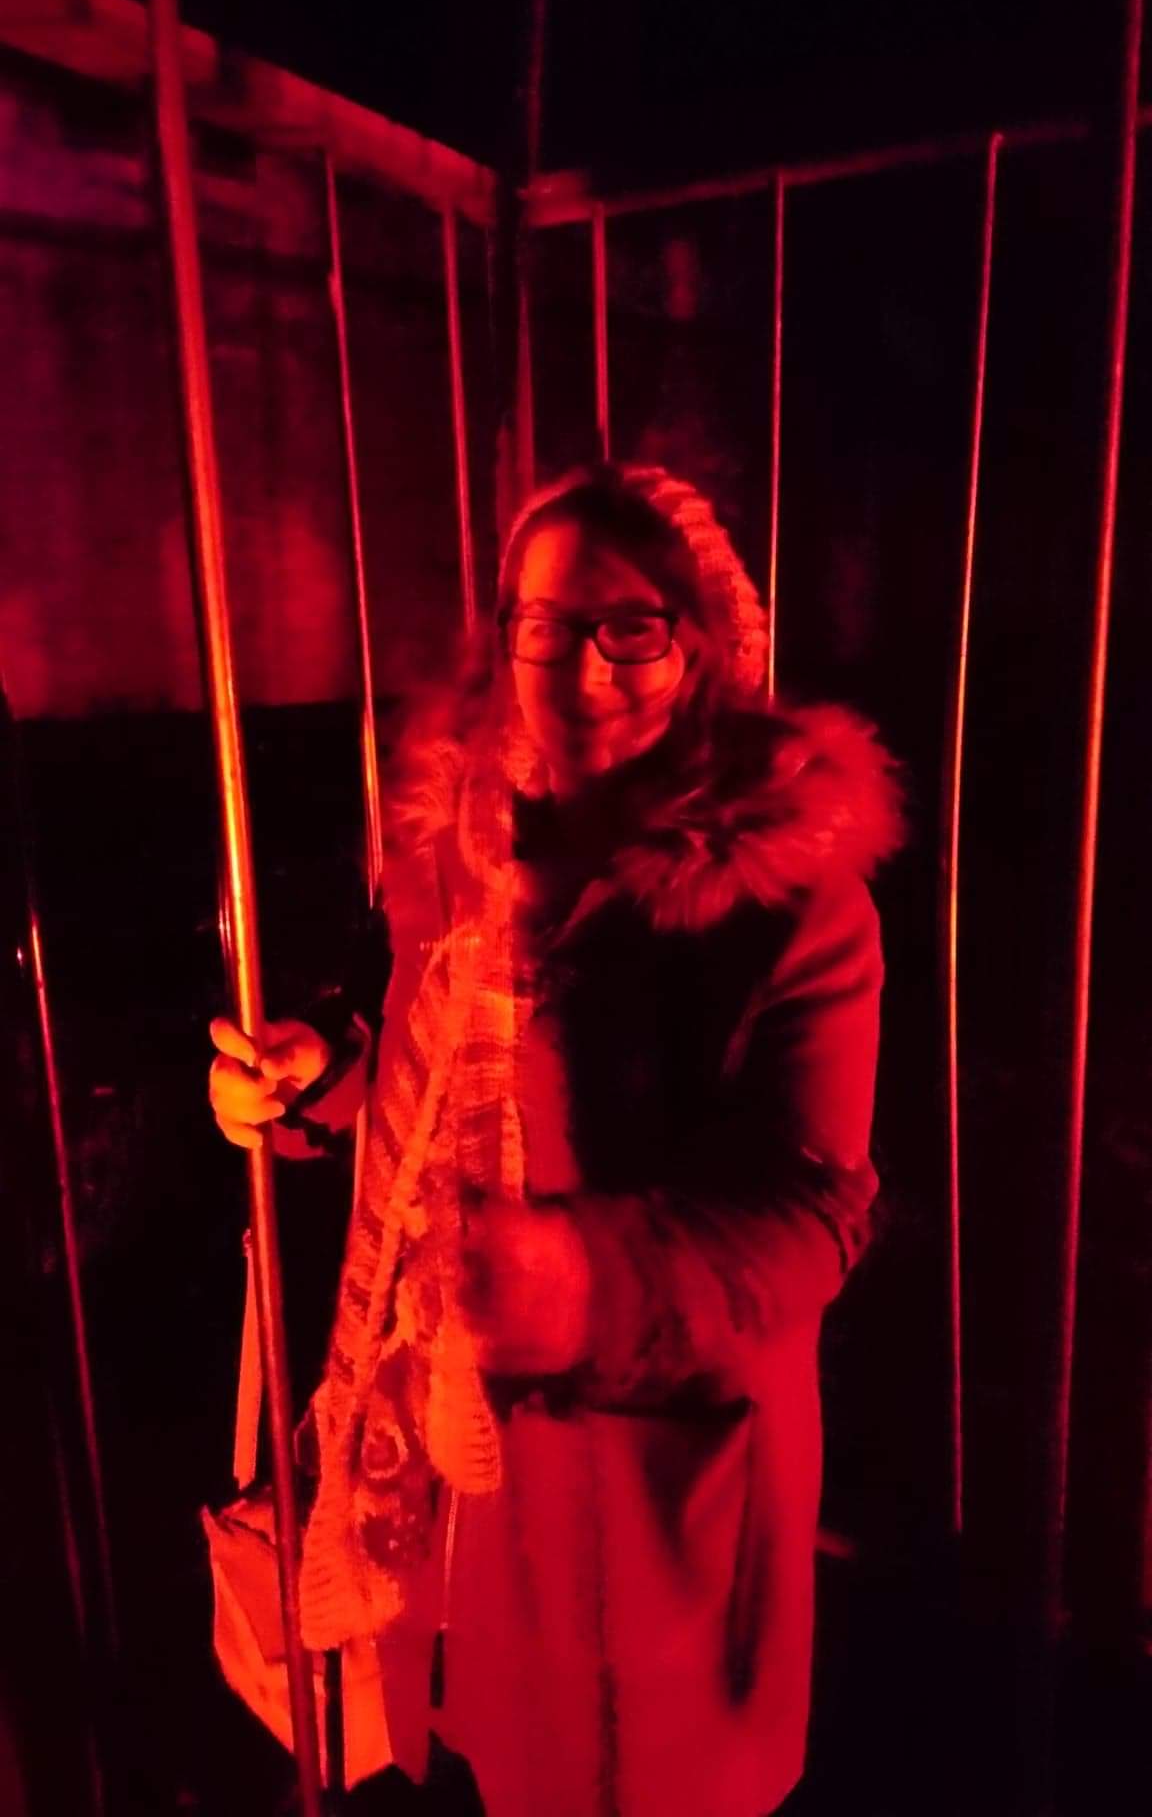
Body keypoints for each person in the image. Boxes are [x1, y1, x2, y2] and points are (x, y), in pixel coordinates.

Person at [209, 463, 902, 1817]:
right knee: (480, 1757)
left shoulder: (789, 897)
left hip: (636, 1496)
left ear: (705, 644)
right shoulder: (460, 842)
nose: (580, 667)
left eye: (628, 626)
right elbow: (444, 1075)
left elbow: (811, 1214)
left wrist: (585, 1278)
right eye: (544, 624)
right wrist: (321, 1081)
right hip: (463, 1495)